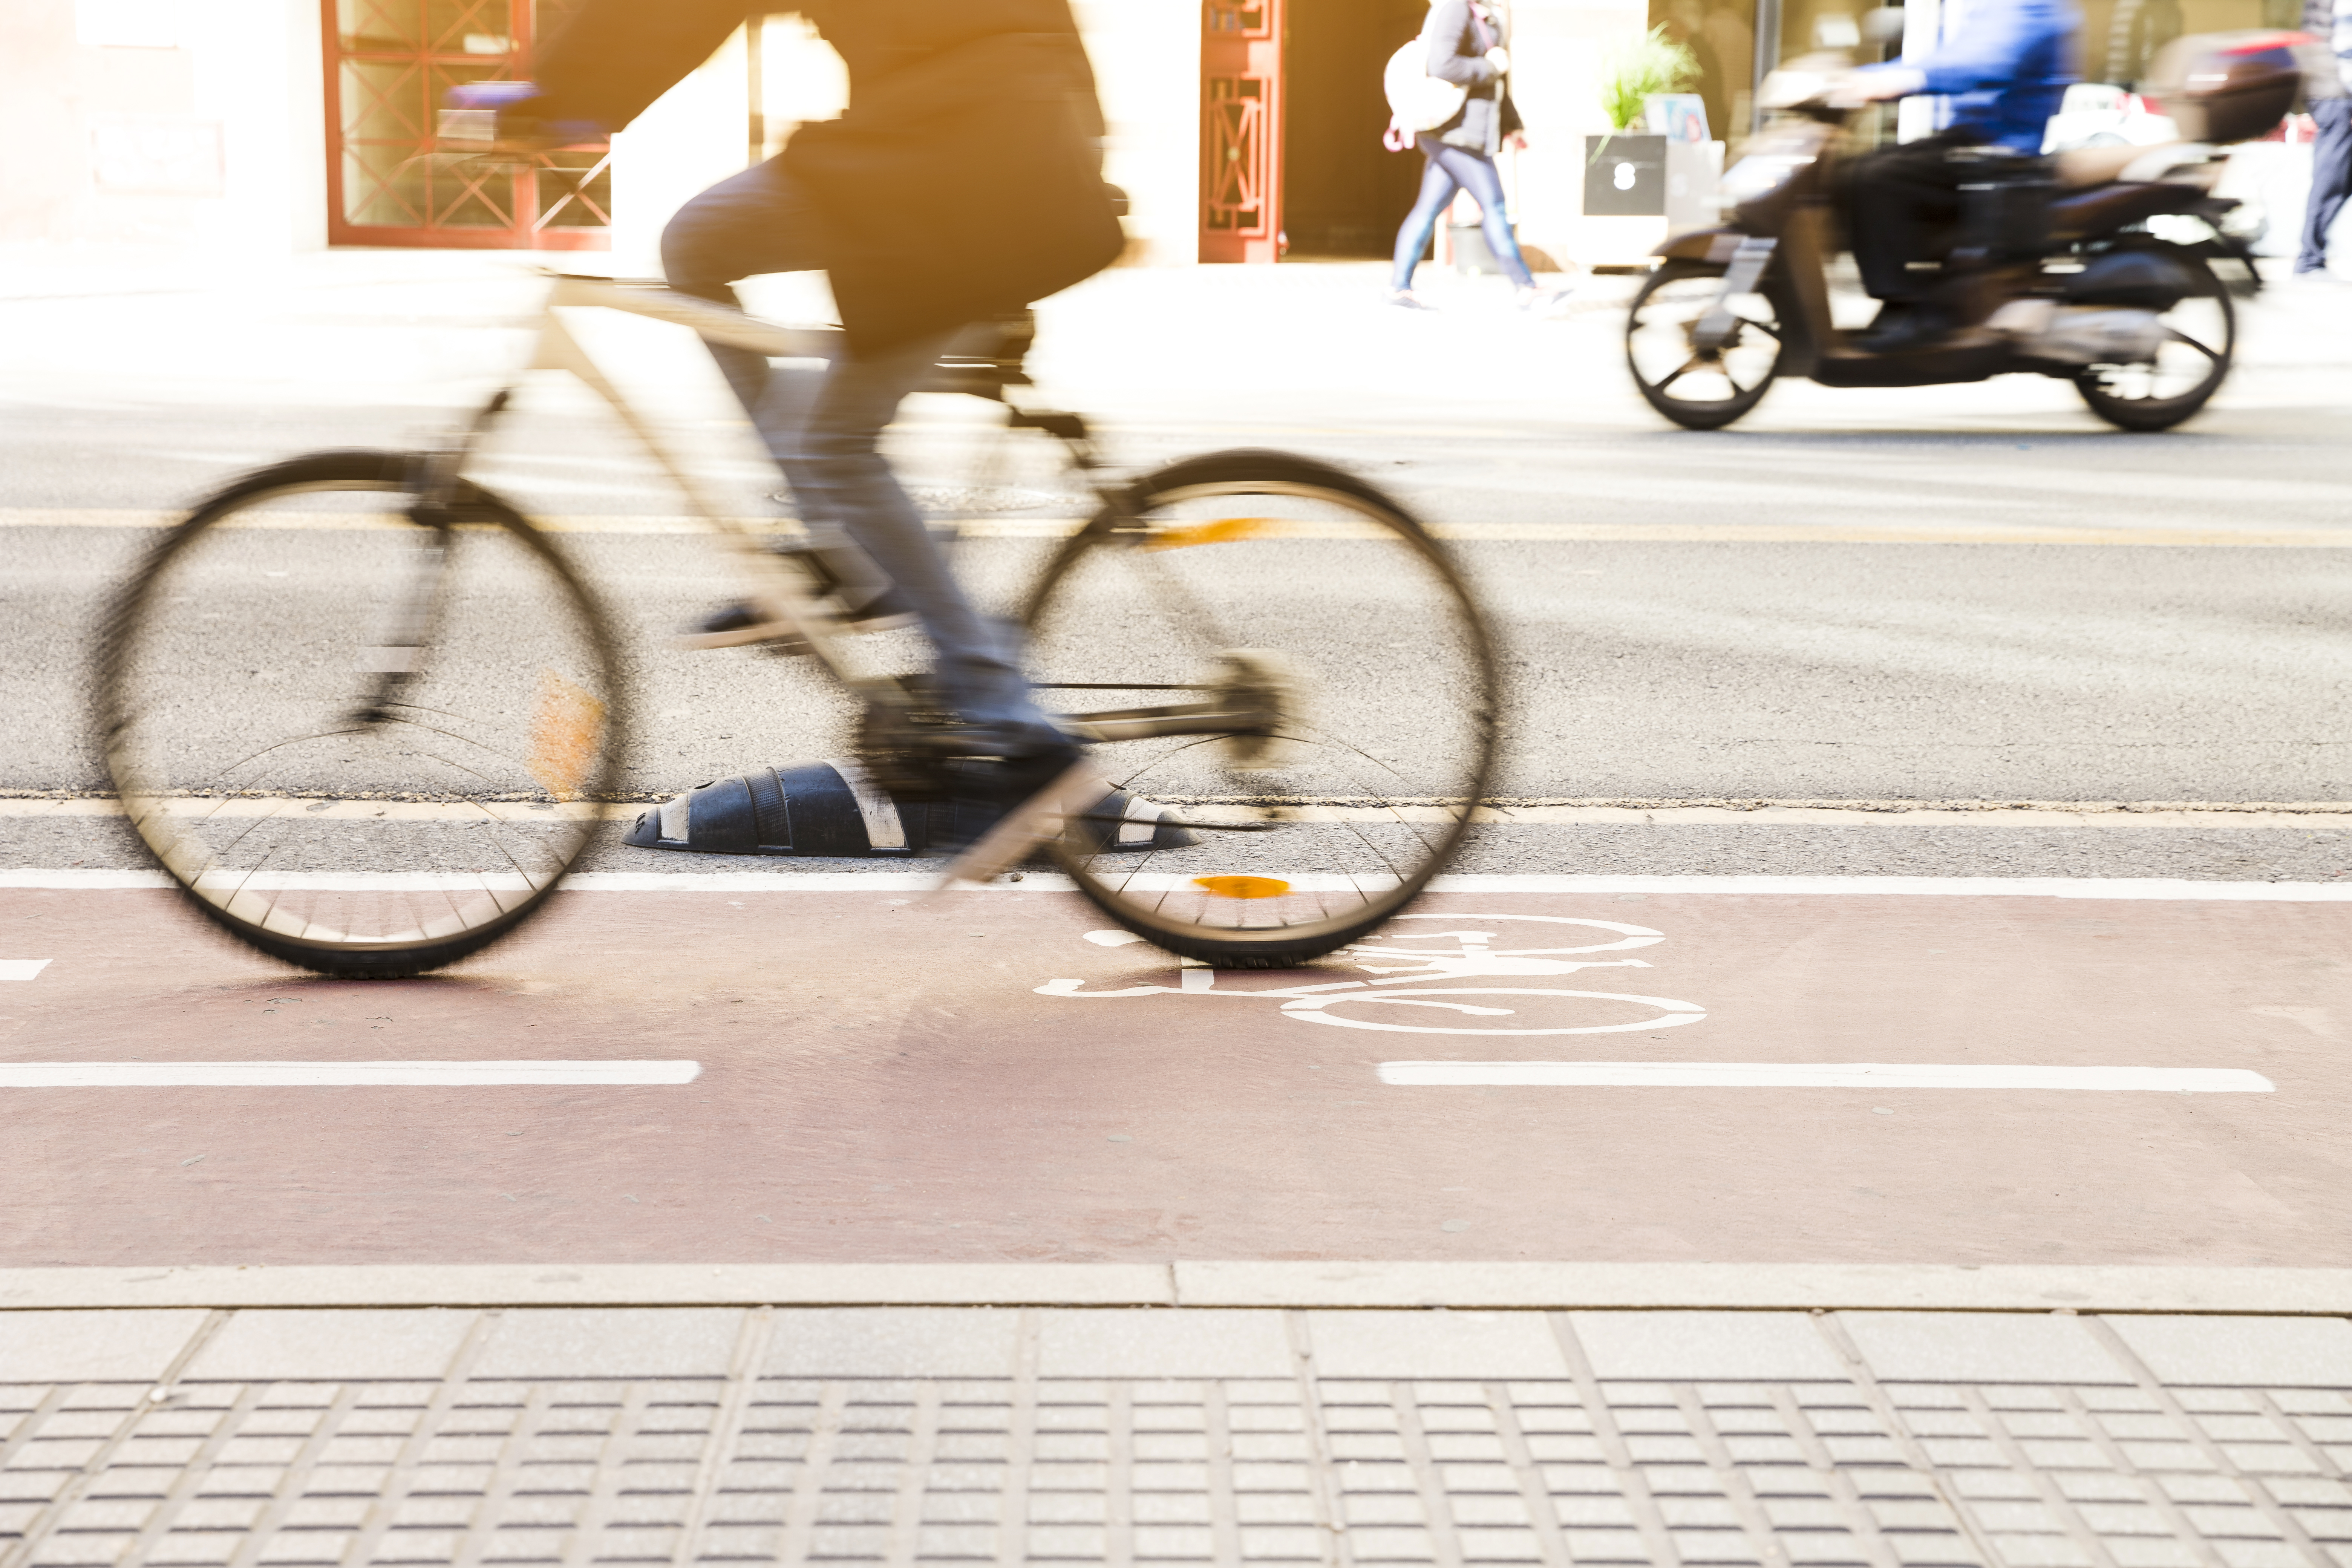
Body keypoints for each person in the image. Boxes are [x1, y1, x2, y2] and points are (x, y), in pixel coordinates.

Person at [453, 2, 1122, 840]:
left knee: (832, 439)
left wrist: (550, 101)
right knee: (705, 252)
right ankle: (846, 554)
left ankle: (1010, 718)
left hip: (959, 159)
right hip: (980, 146)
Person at [1831, 0, 2079, 350]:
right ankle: (1918, 292)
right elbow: (1950, 58)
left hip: (2001, 153)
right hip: (1971, 141)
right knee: (1850, 172)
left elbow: (1984, 61)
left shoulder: (2032, 7)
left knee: (1878, 179)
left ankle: (1911, 310)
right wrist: (1863, 77)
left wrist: (1901, 79)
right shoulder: (1996, 9)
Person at [1386, 0, 1565, 311]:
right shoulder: (1456, 8)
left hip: (1462, 133)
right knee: (1494, 205)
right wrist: (1490, 66)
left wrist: (1513, 124)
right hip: (1455, 133)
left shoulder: (1487, 12)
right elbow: (1442, 65)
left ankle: (1399, 290)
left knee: (1428, 209)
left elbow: (1496, 84)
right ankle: (1526, 287)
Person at [2298, 0, 2352, 280]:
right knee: (2332, 180)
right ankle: (2309, 262)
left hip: (2331, 93)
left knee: (2336, 181)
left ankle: (2311, 259)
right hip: (2339, 96)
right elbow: (2347, 45)